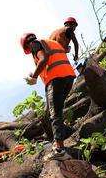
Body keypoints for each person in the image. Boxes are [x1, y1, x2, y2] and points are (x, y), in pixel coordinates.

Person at [20, 32, 76, 160]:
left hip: (56, 79)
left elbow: (43, 59)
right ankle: (59, 141)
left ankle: (60, 150)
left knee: (55, 114)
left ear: (26, 46)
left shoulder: (35, 44)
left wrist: (33, 77)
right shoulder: (51, 42)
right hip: (68, 77)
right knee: (57, 112)